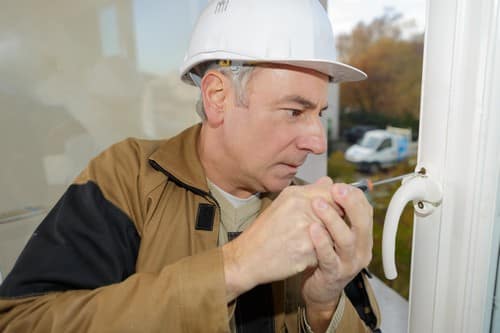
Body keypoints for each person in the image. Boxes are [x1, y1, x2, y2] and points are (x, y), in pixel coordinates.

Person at [0, 0, 380, 332]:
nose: (316, 142)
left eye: (319, 114)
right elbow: (22, 321)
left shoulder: (309, 210)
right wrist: (234, 267)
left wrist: (323, 306)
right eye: (294, 111)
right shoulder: (127, 179)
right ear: (217, 96)